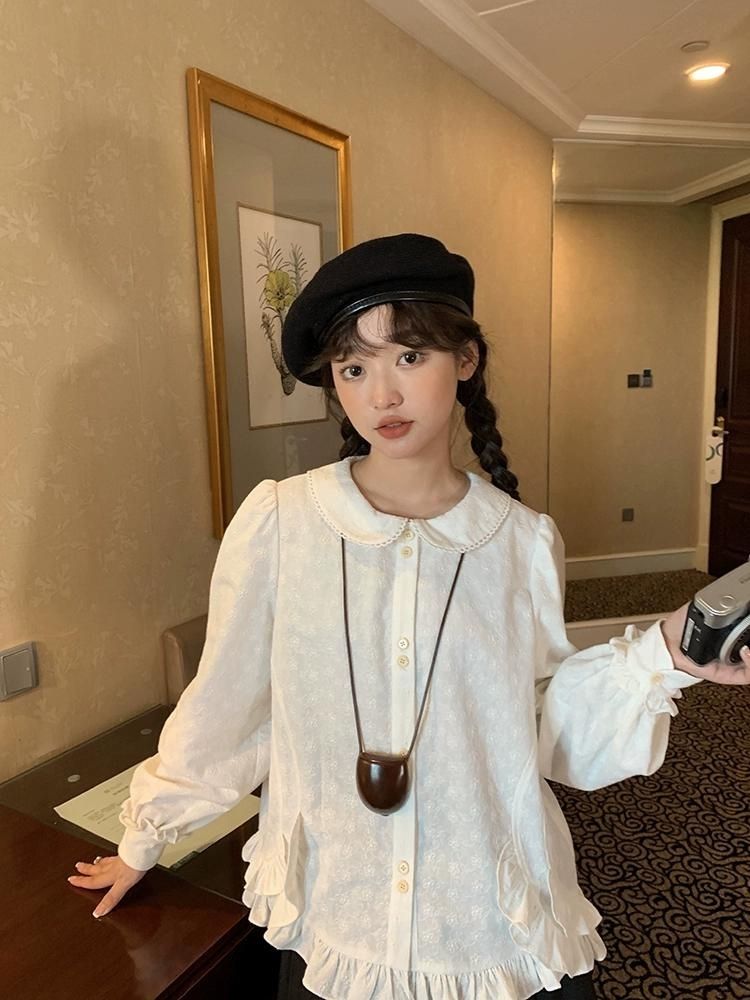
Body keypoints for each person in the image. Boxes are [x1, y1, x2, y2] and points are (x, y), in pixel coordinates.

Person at [68, 234, 750, 1000]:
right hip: (343, 909)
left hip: (483, 917)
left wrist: (668, 654)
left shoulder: (520, 541)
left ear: (466, 359)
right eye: (353, 368)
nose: (381, 396)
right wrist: (145, 839)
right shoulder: (282, 523)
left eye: (409, 357)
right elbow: (227, 701)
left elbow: (541, 725)